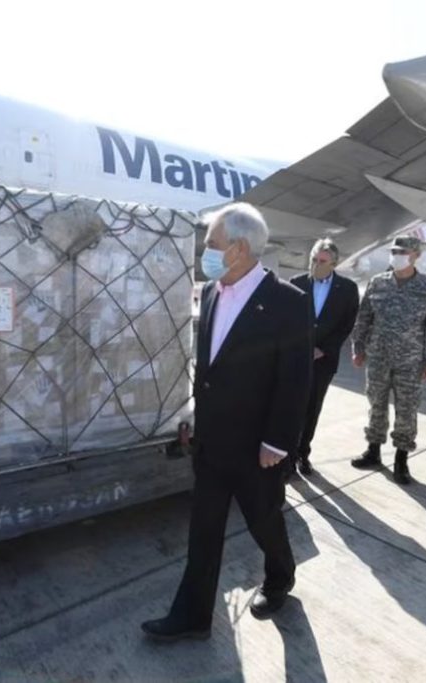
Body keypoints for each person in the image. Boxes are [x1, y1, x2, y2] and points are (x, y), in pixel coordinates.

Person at [141, 203, 312, 642]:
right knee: (203, 530)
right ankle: (193, 617)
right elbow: (209, 370)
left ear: (238, 248)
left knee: (263, 521)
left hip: (258, 447)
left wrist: (278, 442)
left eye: (212, 245)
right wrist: (193, 417)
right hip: (213, 440)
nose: (205, 252)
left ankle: (279, 577)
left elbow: (295, 380)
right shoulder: (215, 292)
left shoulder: (287, 302)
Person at [350, 235, 426, 485]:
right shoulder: (377, 283)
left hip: (411, 360)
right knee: (376, 404)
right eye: (394, 251)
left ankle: (401, 459)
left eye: (403, 251)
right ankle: (373, 450)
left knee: (407, 408)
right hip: (378, 357)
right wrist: (358, 347)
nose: (397, 255)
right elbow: (364, 318)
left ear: (416, 255)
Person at [289, 238, 359, 476]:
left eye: (322, 261)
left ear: (334, 263)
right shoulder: (296, 283)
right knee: (291, 408)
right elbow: (286, 322)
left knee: (312, 409)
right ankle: (287, 457)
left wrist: (324, 349)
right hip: (297, 358)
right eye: (314, 260)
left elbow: (346, 325)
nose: (316, 264)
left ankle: (303, 454)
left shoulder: (347, 289)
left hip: (323, 360)